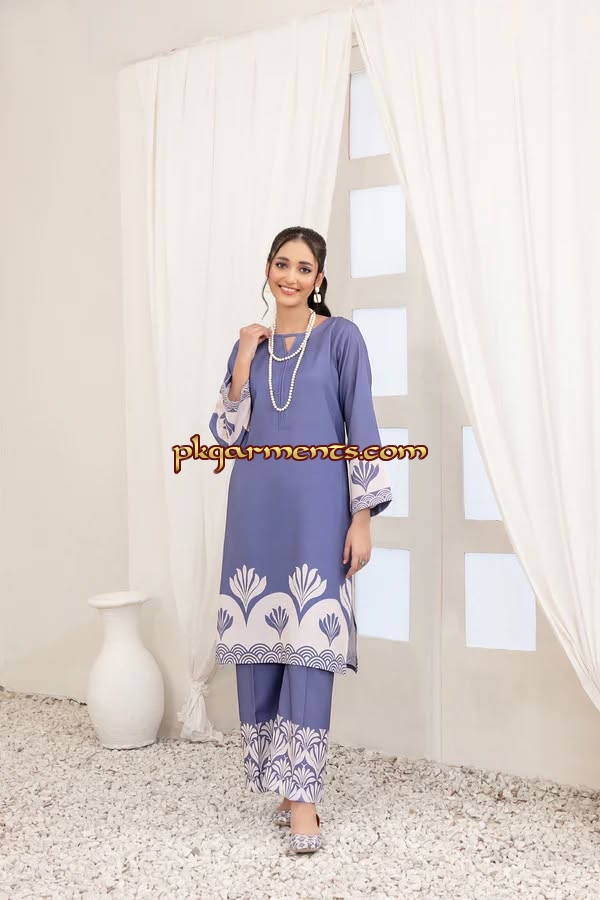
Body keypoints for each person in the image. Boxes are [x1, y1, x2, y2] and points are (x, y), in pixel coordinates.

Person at [209, 226, 392, 854]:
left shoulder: (341, 339)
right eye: (282, 264)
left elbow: (362, 424)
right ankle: (283, 786)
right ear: (268, 270)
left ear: (319, 279)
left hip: (318, 513)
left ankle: (305, 798)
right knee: (264, 649)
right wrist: (241, 359)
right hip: (256, 513)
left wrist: (362, 516)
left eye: (304, 267)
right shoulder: (251, 347)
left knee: (311, 649)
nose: (291, 276)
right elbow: (225, 436)